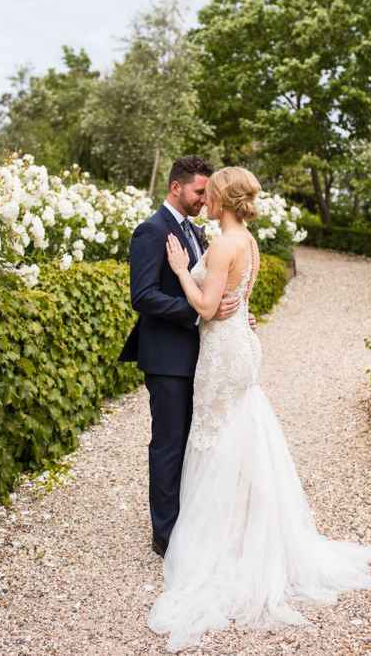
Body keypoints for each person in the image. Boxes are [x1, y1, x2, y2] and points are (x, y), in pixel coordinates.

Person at [147, 166, 371, 653]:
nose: (207, 198)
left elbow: (207, 307)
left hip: (222, 352)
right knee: (240, 434)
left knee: (217, 438)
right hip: (240, 345)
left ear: (221, 197)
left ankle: (226, 543)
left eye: (210, 192)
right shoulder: (251, 242)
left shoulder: (222, 244)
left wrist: (180, 270)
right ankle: (250, 531)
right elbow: (236, 303)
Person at [118, 156, 255, 558]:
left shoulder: (197, 232)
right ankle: (165, 535)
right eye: (198, 191)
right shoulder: (151, 230)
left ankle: (193, 521)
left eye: (207, 193)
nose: (203, 199)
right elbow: (142, 295)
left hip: (201, 355)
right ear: (176, 187)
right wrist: (199, 312)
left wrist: (228, 314)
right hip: (167, 358)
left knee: (197, 442)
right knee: (169, 443)